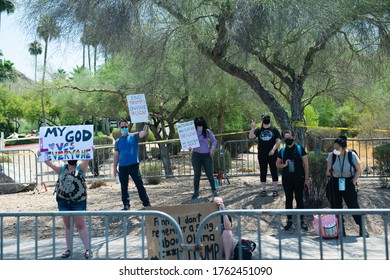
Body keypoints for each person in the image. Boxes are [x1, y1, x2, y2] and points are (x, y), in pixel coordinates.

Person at [43, 158, 92, 259]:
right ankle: (68, 250)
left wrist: (90, 151)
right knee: (68, 225)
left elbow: (87, 159)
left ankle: (88, 249)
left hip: (78, 202)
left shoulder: (81, 168)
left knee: (80, 225)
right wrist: (42, 154)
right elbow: (49, 163)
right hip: (63, 201)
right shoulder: (62, 169)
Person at [326, 135, 369, 237]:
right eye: (334, 148)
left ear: (343, 148)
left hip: (348, 182)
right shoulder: (332, 155)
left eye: (337, 148)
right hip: (335, 183)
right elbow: (328, 170)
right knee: (336, 206)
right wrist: (331, 173)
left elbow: (358, 169)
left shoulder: (351, 155)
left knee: (353, 206)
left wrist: (354, 181)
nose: (335, 150)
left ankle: (362, 228)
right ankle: (341, 229)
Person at [113, 120, 151, 210]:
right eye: (122, 127)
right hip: (122, 167)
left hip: (134, 165)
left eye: (125, 126)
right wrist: (114, 167)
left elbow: (144, 132)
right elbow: (116, 155)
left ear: (128, 127)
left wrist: (146, 123)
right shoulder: (118, 141)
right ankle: (126, 205)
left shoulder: (134, 136)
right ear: (119, 128)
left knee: (139, 185)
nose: (124, 128)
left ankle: (146, 203)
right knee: (124, 187)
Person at [276, 130, 309, 231]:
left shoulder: (300, 149)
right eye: (286, 138)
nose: (288, 140)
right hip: (287, 179)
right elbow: (277, 164)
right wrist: (284, 164)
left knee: (299, 199)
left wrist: (307, 178)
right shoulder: (282, 151)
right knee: (289, 199)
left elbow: (306, 164)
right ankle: (289, 220)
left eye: (289, 137)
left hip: (299, 178)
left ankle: (301, 221)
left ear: (294, 138)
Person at [249, 113, 281, 197]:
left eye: (268, 117)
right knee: (263, 171)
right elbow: (251, 137)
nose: (266, 119)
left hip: (273, 154)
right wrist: (253, 127)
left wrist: (273, 149)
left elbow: (278, 141)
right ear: (262, 119)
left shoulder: (274, 129)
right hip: (262, 154)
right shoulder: (259, 130)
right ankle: (263, 190)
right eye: (265, 118)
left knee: (274, 171)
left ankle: (275, 189)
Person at [190, 116, 218, 199]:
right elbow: (189, 144)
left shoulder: (207, 131)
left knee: (209, 174)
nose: (200, 126)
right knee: (197, 174)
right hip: (196, 155)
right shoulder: (192, 132)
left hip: (206, 155)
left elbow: (214, 140)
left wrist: (212, 149)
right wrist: (189, 147)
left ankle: (214, 190)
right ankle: (196, 192)